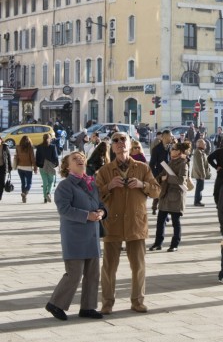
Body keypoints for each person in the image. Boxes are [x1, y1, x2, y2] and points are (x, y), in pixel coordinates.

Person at [95, 131, 161, 314]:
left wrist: (142, 185)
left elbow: (157, 191)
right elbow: (95, 195)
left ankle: (138, 301)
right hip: (112, 223)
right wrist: (109, 186)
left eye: (123, 139)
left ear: (130, 144)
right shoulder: (105, 171)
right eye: (115, 140)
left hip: (135, 223)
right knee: (109, 267)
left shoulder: (142, 168)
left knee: (138, 266)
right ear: (112, 146)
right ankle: (107, 303)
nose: (119, 142)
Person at [45, 151, 106, 322]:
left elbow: (101, 204)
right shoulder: (65, 186)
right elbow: (64, 209)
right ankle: (55, 304)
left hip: (92, 234)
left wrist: (102, 212)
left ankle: (88, 307)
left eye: (82, 157)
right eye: (75, 158)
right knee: (74, 274)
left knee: (93, 274)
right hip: (74, 236)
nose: (80, 159)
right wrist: (87, 215)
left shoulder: (91, 183)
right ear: (67, 166)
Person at [150, 140, 190, 252]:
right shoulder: (169, 163)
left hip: (176, 196)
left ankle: (174, 244)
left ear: (179, 152)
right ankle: (158, 243)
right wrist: (160, 178)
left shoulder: (183, 164)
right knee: (160, 221)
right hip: (165, 195)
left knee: (175, 222)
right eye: (171, 149)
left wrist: (167, 178)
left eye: (173, 149)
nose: (171, 150)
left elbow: (181, 180)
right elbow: (160, 176)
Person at [149, 129, 173, 213]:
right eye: (170, 136)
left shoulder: (171, 147)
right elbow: (152, 164)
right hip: (160, 175)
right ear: (165, 137)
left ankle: (164, 211)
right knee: (159, 193)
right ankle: (155, 207)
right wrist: (157, 176)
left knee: (166, 194)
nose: (172, 138)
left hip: (169, 174)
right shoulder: (156, 149)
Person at [36, 132, 59, 204]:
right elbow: (55, 157)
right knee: (51, 181)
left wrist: (38, 164)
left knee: (45, 182)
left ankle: (45, 197)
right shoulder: (52, 146)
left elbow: (37, 157)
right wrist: (56, 164)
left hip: (42, 166)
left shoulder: (39, 146)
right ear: (50, 139)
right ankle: (48, 193)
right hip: (50, 166)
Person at [15, 135, 37, 203]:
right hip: (28, 168)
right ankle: (25, 193)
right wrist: (35, 167)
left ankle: (23, 197)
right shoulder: (30, 147)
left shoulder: (18, 147)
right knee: (29, 183)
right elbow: (33, 158)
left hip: (20, 167)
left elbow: (17, 157)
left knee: (23, 182)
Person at [191, 136, 211, 206]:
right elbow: (200, 165)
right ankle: (197, 201)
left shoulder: (201, 151)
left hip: (200, 173)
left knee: (200, 187)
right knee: (199, 188)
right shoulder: (198, 152)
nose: (205, 145)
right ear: (200, 144)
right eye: (204, 144)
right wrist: (203, 174)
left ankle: (198, 201)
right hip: (199, 174)